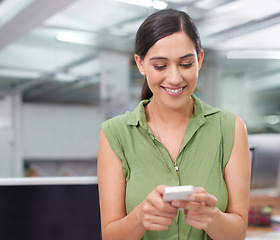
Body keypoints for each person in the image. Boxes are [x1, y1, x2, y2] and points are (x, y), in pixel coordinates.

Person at [97, 9, 251, 240]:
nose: (175, 78)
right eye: (160, 66)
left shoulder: (230, 128)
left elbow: (238, 232)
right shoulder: (115, 134)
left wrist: (212, 218)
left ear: (199, 60)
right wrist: (139, 218)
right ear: (140, 64)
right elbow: (110, 235)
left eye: (186, 64)